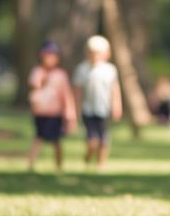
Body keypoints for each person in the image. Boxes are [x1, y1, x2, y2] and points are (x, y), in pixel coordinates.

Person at [72, 35, 122, 167]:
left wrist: (117, 106)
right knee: (92, 140)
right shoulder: (82, 69)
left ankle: (101, 163)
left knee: (104, 139)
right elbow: (77, 92)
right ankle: (88, 158)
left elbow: (115, 90)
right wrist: (75, 110)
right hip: (88, 109)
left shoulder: (110, 70)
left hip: (104, 110)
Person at [27, 40, 76, 172]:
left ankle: (59, 166)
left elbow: (66, 95)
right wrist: (42, 81)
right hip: (40, 112)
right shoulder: (37, 72)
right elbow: (33, 87)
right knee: (38, 138)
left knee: (56, 140)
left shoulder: (61, 75)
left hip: (55, 112)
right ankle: (30, 165)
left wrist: (70, 112)